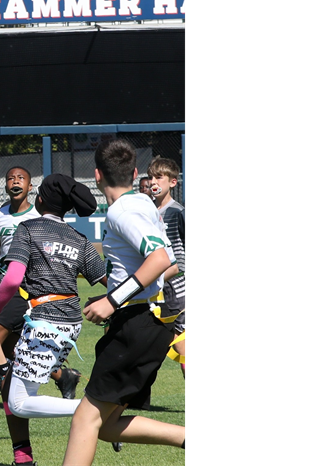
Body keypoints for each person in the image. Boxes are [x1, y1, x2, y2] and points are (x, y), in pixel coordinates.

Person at [62, 139, 186, 465]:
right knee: (105, 425)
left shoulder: (122, 210)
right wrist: (124, 292)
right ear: (134, 173)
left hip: (138, 324)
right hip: (150, 321)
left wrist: (114, 300)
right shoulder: (144, 203)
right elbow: (172, 262)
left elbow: (159, 259)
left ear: (97, 175)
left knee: (84, 420)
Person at [0, 173, 106, 466]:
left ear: (40, 199)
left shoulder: (28, 228)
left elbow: (11, 281)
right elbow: (107, 278)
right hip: (69, 322)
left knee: (18, 402)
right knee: (10, 389)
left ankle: (92, 410)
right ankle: (23, 458)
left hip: (44, 321)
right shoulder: (79, 238)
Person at [0, 167, 79, 417]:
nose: (15, 181)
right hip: (5, 287)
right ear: (5, 186)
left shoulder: (40, 213)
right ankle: (62, 375)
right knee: (7, 344)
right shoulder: (0, 214)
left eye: (21, 178)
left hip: (29, 288)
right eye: (10, 178)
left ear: (30, 187)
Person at [148, 158, 186, 380]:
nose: (154, 181)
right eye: (151, 177)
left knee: (182, 349)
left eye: (159, 177)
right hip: (155, 291)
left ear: (172, 182)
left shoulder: (178, 212)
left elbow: (182, 261)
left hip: (177, 293)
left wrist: (156, 276)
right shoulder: (147, 212)